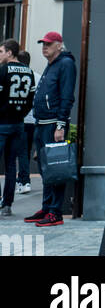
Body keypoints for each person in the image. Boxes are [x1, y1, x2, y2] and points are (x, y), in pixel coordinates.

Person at [23, 31, 75, 229]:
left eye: (49, 44)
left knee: (56, 168)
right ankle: (47, 208)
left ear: (59, 45)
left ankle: (55, 211)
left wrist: (61, 124)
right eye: (43, 44)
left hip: (53, 124)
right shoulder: (52, 64)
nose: (45, 47)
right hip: (42, 122)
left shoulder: (66, 64)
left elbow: (67, 96)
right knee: (47, 169)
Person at [0, 39, 35, 216]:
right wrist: (20, 114)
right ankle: (7, 204)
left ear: (10, 53)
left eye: (1, 51)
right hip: (18, 123)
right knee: (11, 165)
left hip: (2, 123)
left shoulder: (3, 70)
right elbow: (31, 100)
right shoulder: (29, 72)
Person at [15, 51, 35, 194]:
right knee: (26, 151)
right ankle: (23, 179)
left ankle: (24, 180)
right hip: (35, 120)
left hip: (21, 119)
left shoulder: (11, 74)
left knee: (20, 152)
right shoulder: (37, 76)